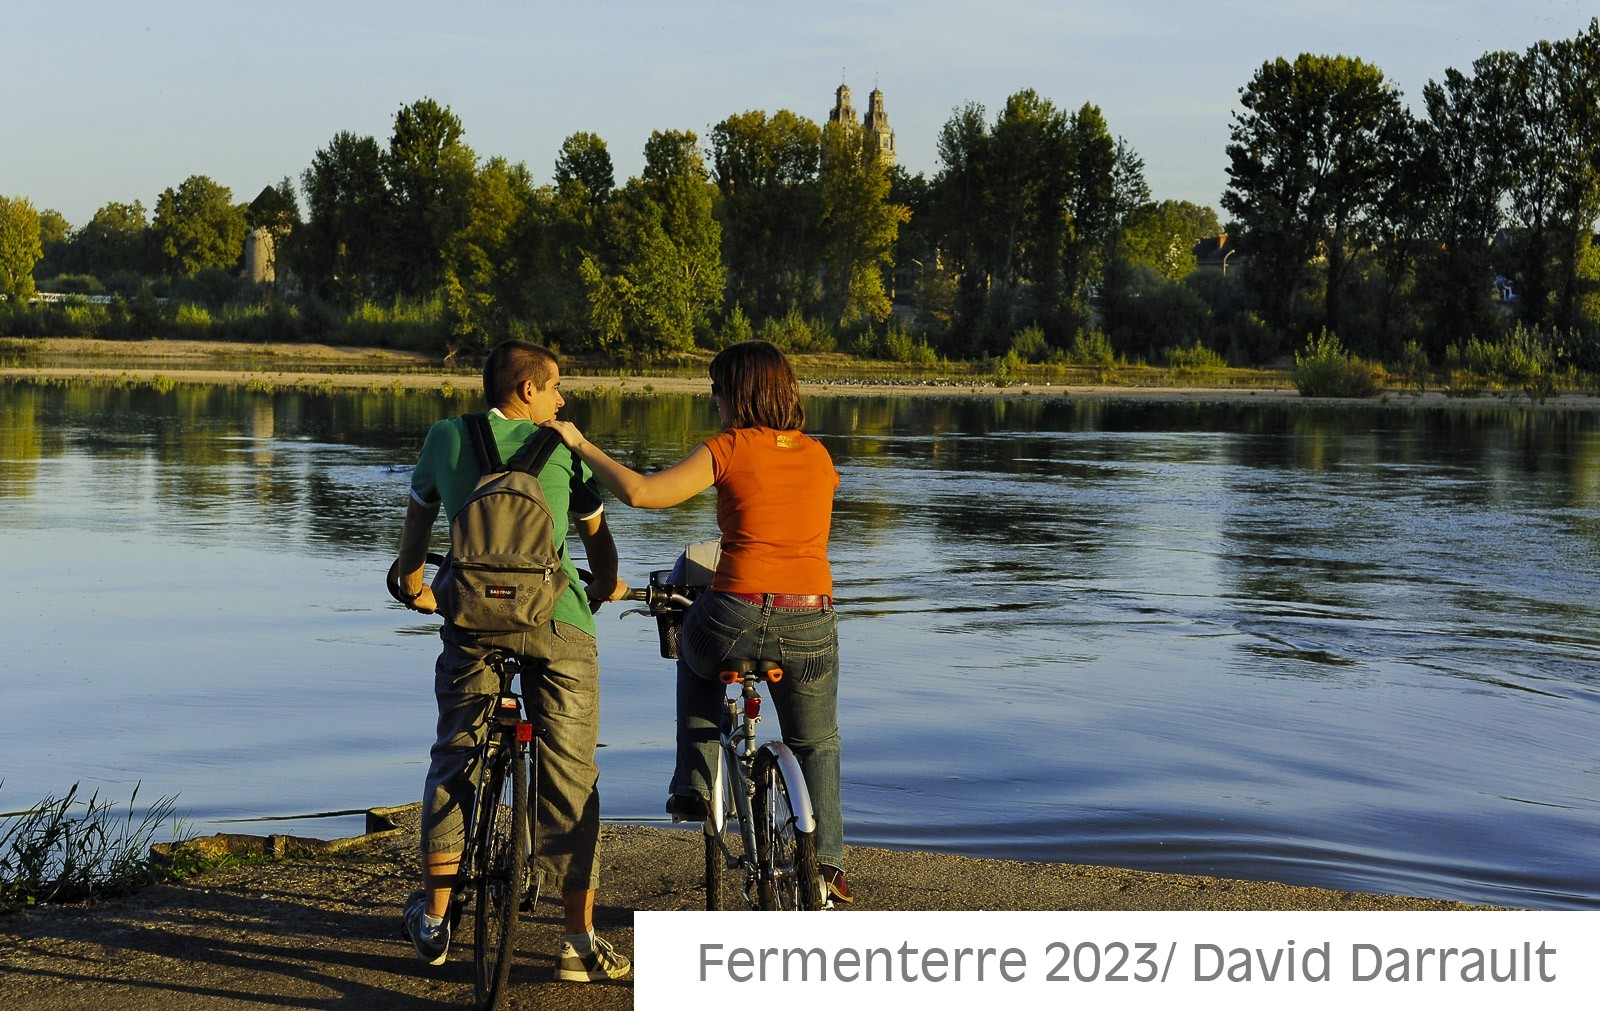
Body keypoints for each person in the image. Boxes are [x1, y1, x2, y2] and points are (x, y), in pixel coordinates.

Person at [542, 339, 850, 903]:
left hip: (734, 609)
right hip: (811, 619)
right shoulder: (818, 455)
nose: (713, 400)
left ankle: (695, 782)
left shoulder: (730, 447)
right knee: (817, 741)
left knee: (693, 651)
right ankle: (826, 866)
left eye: (718, 389)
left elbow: (640, 493)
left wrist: (579, 441)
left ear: (740, 394)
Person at [393, 339, 633, 980]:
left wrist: (415, 586)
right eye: (556, 388)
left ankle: (437, 921)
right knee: (574, 778)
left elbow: (413, 548)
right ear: (528, 390)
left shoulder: (446, 437)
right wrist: (606, 586)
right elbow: (603, 556)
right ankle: (577, 941)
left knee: (454, 760)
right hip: (558, 624)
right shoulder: (562, 447)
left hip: (472, 623)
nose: (562, 400)